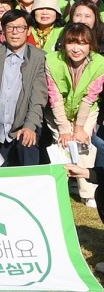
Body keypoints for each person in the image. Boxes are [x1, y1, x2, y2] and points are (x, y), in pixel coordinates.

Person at [0, 9, 47, 168]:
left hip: (21, 127)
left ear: (28, 30)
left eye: (20, 28)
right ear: (3, 30)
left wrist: (29, 126)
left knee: (28, 148)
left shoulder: (39, 58)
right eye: (10, 27)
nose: (15, 32)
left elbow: (38, 98)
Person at [44, 23, 104, 207]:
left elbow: (89, 97)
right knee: (61, 146)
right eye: (71, 43)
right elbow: (55, 97)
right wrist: (64, 129)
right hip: (58, 110)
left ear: (90, 45)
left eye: (82, 43)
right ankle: (60, 188)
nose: (76, 48)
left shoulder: (100, 63)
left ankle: (87, 193)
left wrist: (78, 128)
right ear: (64, 43)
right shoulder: (52, 60)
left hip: (86, 110)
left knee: (83, 145)